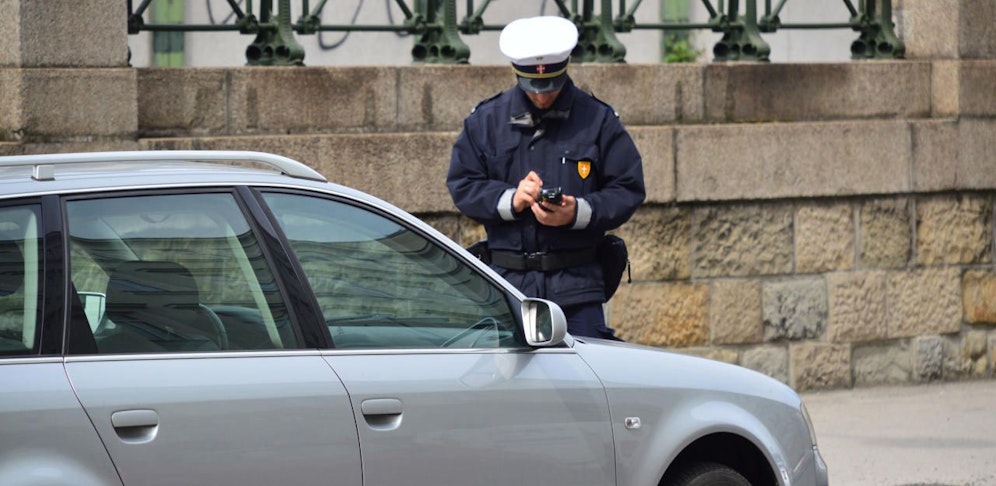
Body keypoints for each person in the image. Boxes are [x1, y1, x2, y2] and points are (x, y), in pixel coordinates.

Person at [446, 15, 646, 340]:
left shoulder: (597, 119)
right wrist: (510, 199)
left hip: (577, 286)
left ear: (564, 70)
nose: (542, 96)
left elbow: (628, 187)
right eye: (533, 87)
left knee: (587, 381)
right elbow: (463, 183)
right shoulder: (486, 122)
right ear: (517, 74)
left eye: (551, 86)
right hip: (508, 286)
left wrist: (578, 212)